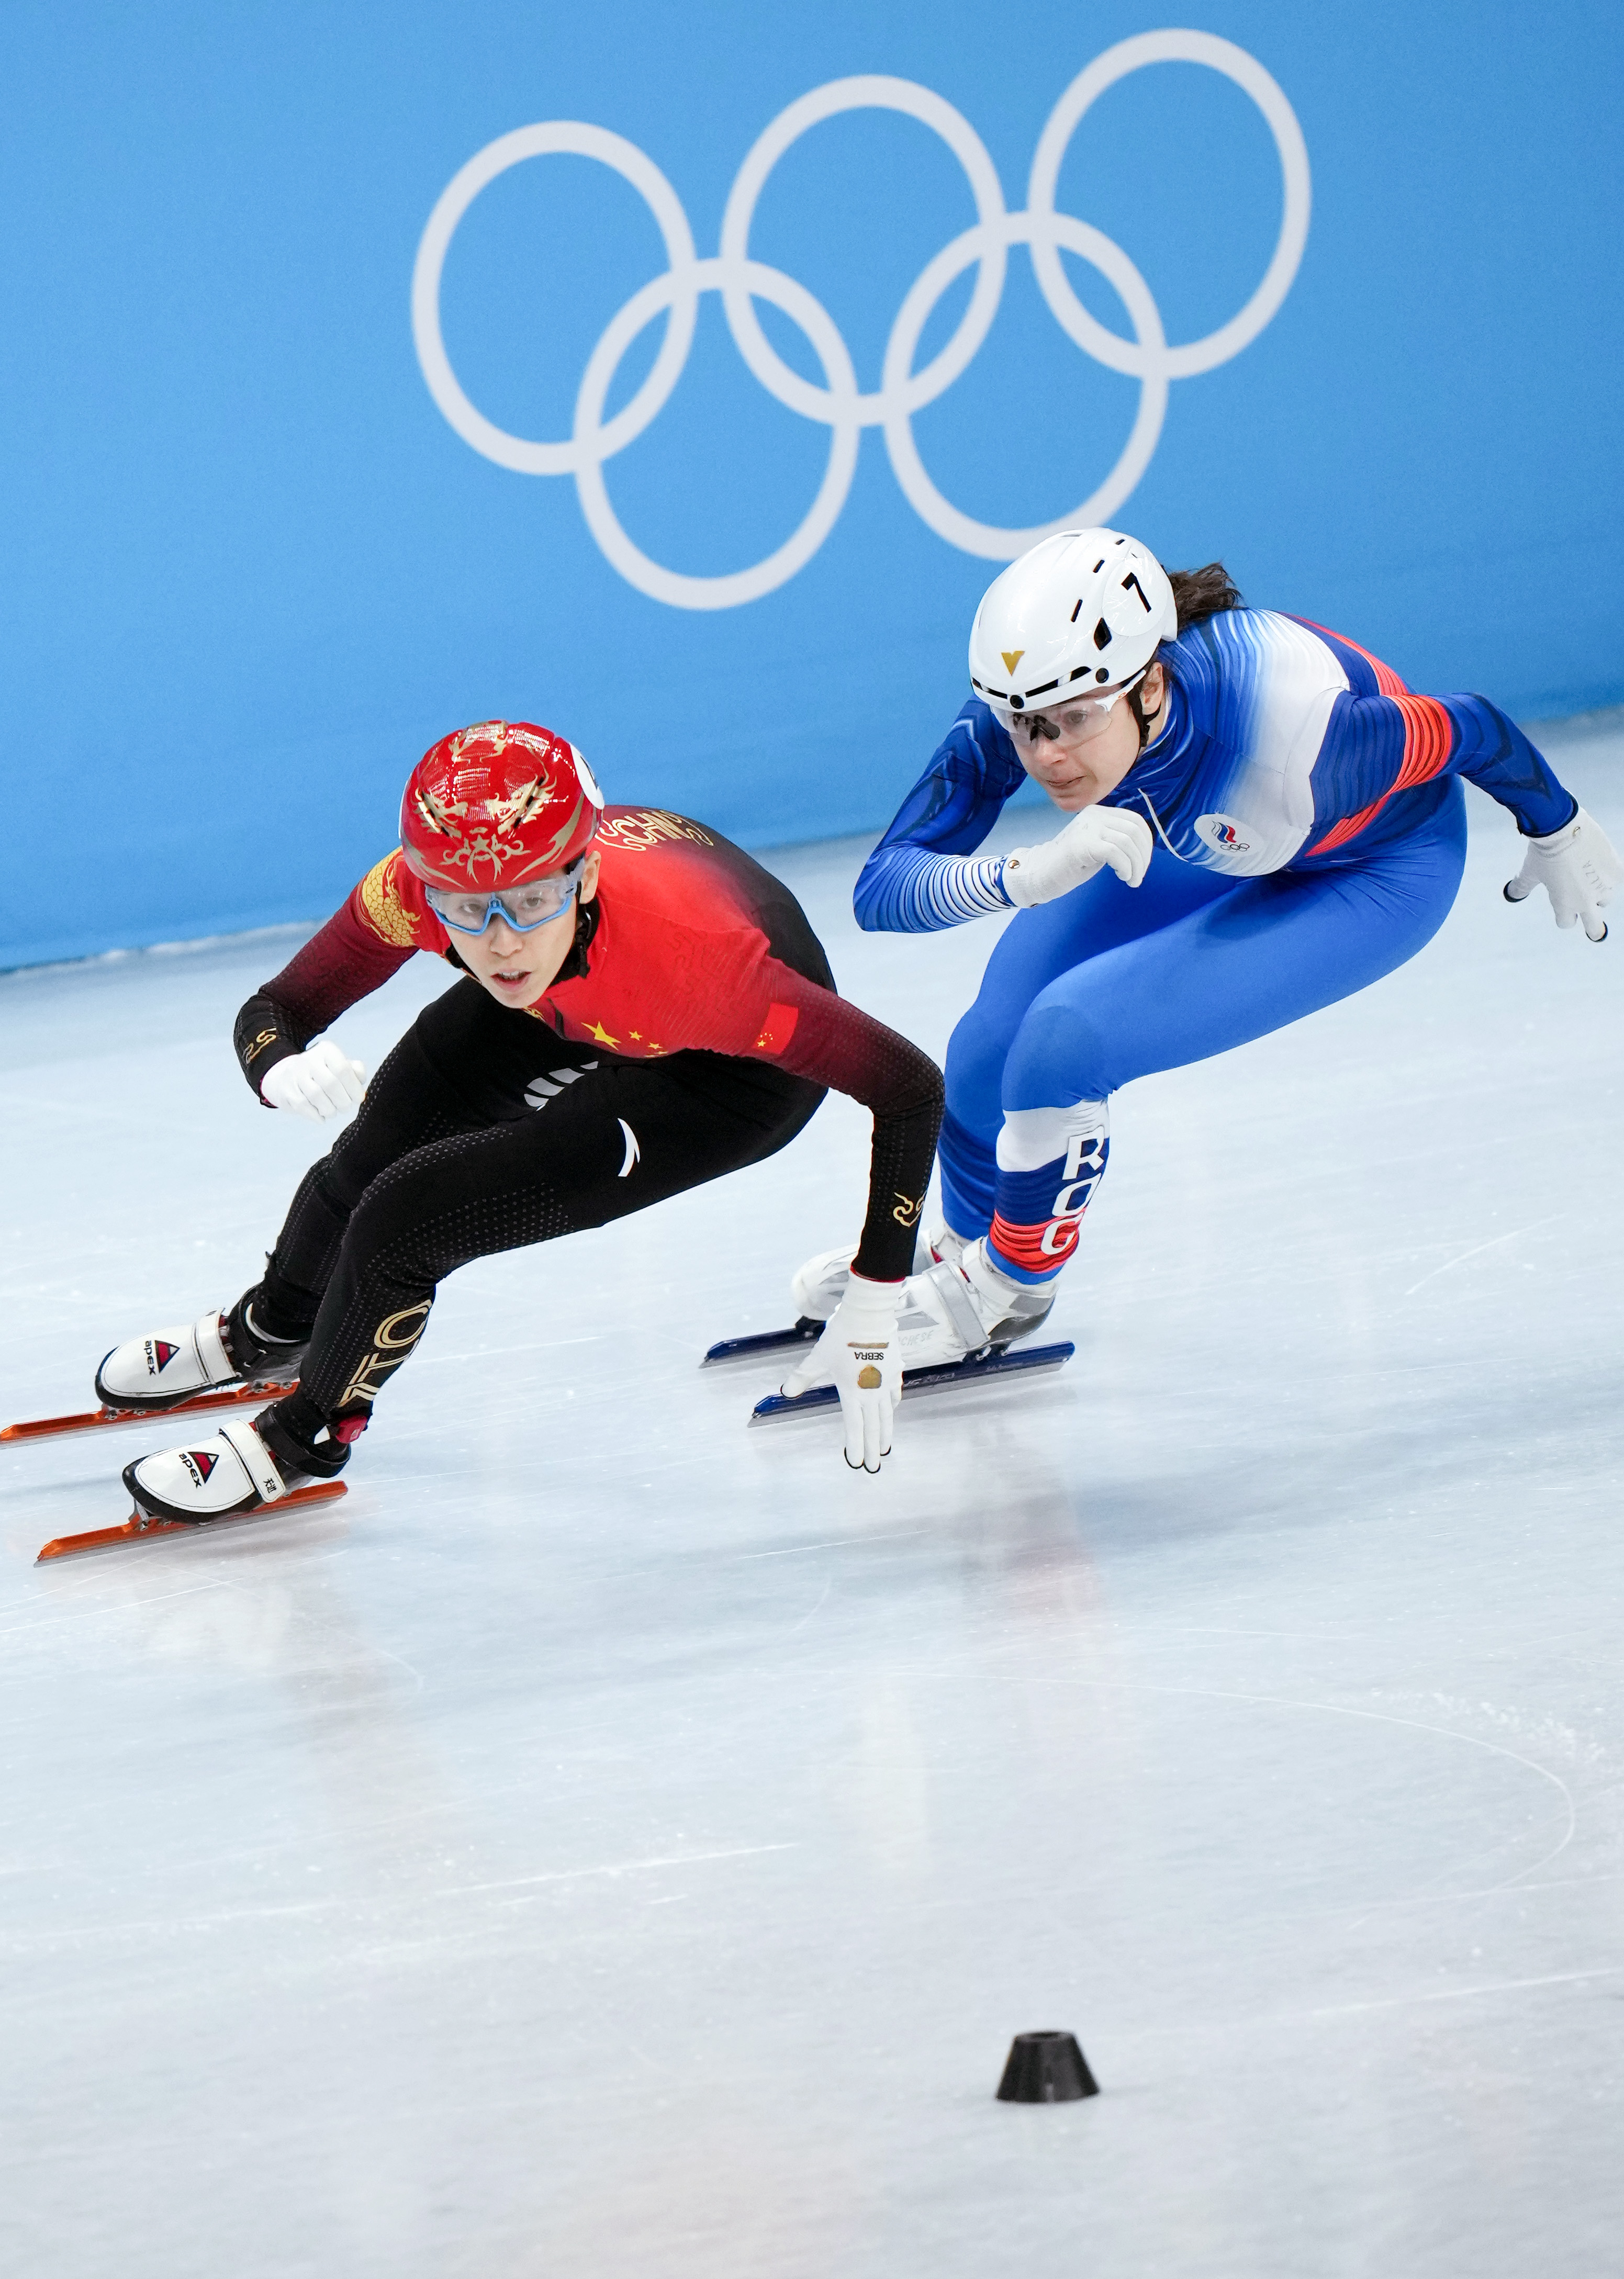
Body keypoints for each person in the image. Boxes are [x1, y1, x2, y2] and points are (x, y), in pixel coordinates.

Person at [791, 527, 1620, 1361]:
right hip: (1194, 833)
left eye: (1076, 720)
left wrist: (1558, 823)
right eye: (1026, 726)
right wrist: (1027, 874)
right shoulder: (1042, 688)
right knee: (987, 1041)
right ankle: (964, 1249)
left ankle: (1007, 1292)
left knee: (1065, 1036)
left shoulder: (1303, 745)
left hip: (1372, 867)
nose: (1048, 755)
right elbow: (883, 891)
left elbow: (1473, 726)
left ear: (1149, 684)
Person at [99, 718, 943, 1512]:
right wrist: (278, 1063)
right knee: (369, 1155)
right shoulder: (416, 898)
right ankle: (273, 1326)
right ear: (429, 892)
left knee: (408, 1218)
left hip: (721, 1072)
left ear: (586, 876)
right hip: (577, 993)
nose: (501, 941)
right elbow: (280, 1005)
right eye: (467, 909)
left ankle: (303, 1439)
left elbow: (909, 1086)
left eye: (531, 899)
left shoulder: (704, 970)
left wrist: (876, 1291)